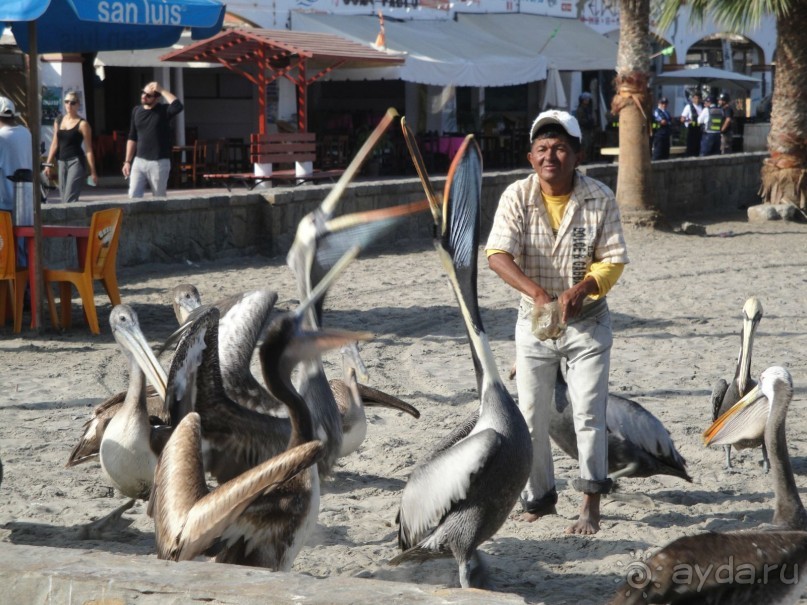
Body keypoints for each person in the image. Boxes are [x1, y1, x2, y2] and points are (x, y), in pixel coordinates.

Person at [485, 110, 629, 535]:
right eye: (543, 148)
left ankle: (590, 502)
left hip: (587, 322)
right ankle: (541, 498)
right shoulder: (516, 195)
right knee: (531, 414)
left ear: (577, 155)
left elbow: (614, 260)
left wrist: (581, 288)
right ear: (531, 157)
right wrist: (537, 294)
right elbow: (497, 255)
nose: (551, 156)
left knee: (587, 411)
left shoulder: (599, 196)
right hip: (533, 321)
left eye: (561, 148)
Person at [122, 81, 183, 198]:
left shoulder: (163, 111)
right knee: (133, 196)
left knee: (159, 198)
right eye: (143, 93)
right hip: (139, 161)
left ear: (156, 98)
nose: (144, 96)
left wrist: (161, 90)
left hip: (159, 162)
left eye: (148, 95)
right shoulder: (136, 111)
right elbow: (132, 137)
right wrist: (127, 161)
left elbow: (178, 106)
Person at [43, 91, 98, 203]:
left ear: (78, 105)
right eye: (66, 102)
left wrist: (93, 171)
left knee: (70, 199)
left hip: (76, 161)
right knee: (63, 199)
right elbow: (54, 143)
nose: (69, 105)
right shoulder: (58, 120)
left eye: (72, 102)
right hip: (61, 162)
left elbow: (88, 149)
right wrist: (48, 165)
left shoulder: (83, 124)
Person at [0, 96, 33, 264]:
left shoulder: (1, 137)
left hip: (4, 203)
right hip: (25, 202)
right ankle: (25, 288)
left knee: (6, 255)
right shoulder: (26, 133)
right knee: (23, 252)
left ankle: (11, 289)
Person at [679, 91, 704, 157]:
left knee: (698, 147)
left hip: (700, 129)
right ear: (692, 99)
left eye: (698, 98)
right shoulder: (688, 107)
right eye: (695, 98)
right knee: (691, 147)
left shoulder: (702, 106)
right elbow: (682, 119)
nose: (697, 100)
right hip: (692, 129)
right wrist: (688, 120)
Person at [574, 92, 597, 163]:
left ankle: (586, 159)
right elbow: (580, 120)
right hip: (583, 129)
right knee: (584, 144)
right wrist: (588, 122)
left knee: (589, 144)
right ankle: (582, 160)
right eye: (586, 99)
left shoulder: (587, 109)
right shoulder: (580, 109)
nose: (587, 101)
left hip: (588, 130)